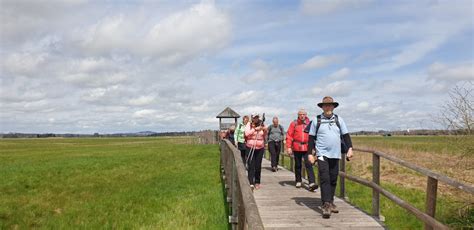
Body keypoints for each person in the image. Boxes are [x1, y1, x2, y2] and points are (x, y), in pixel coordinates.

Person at [307, 96, 354, 219]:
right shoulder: (316, 120)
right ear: (322, 107)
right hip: (321, 154)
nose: (328, 107)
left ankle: (331, 201)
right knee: (325, 177)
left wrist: (350, 148)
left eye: (330, 105)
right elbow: (311, 138)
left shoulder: (339, 120)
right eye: (325, 105)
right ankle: (326, 204)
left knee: (333, 178)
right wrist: (310, 154)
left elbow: (346, 135)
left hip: (336, 153)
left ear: (333, 107)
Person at [286, 109, 318, 191]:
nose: (302, 116)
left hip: (307, 147)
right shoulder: (294, 124)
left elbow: (314, 136)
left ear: (306, 115)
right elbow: (289, 135)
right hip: (297, 147)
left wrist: (314, 148)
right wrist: (289, 147)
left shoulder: (310, 123)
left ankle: (312, 182)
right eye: (300, 114)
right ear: (298, 115)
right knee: (298, 164)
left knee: (309, 164)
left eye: (303, 114)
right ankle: (298, 180)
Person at [245, 113, 267, 190]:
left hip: (260, 148)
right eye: (254, 117)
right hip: (250, 146)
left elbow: (264, 135)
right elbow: (246, 133)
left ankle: (257, 182)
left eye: (257, 117)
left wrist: (264, 130)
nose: (256, 119)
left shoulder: (262, 124)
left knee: (258, 166)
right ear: (252, 118)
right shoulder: (249, 124)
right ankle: (251, 182)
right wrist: (254, 129)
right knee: (251, 165)